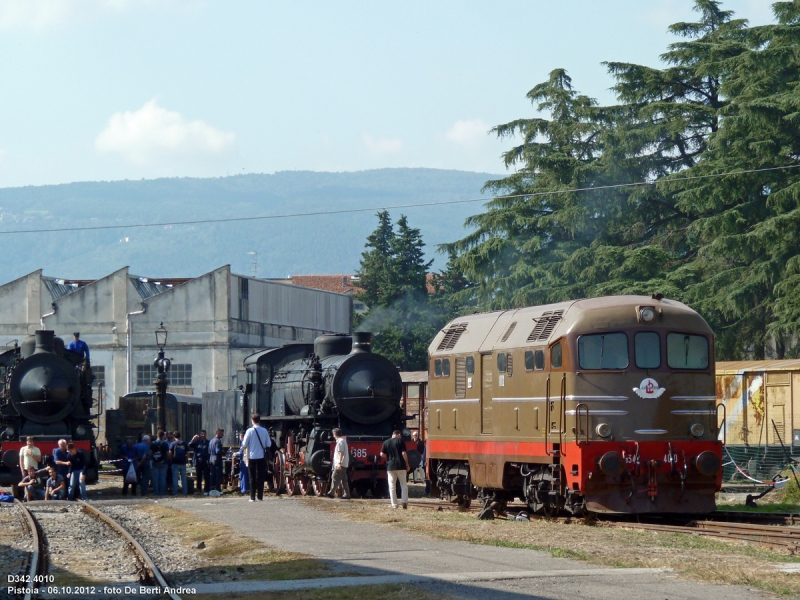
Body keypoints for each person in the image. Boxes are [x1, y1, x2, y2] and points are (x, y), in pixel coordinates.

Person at [240, 415, 271, 502]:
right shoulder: (264, 430)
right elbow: (268, 444)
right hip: (261, 456)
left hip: (252, 457)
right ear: (259, 420)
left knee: (252, 477)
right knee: (261, 477)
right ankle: (260, 496)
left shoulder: (249, 431)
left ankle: (252, 497)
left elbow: (245, 443)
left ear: (252, 420)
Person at [380, 430, 410, 509]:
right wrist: (407, 464)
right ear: (398, 435)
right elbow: (404, 453)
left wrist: (389, 458)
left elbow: (381, 454)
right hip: (401, 466)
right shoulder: (400, 441)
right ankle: (404, 502)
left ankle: (394, 504)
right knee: (403, 485)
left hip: (390, 466)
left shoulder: (386, 442)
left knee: (392, 486)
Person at [327, 428, 351, 500]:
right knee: (344, 480)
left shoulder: (340, 442)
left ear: (335, 434)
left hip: (341, 464)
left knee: (334, 477)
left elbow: (341, 453)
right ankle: (347, 494)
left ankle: (331, 493)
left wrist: (339, 463)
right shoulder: (343, 441)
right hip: (344, 463)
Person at [189, 430, 210, 495]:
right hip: (198, 460)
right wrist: (193, 439)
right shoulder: (197, 442)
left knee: (207, 476)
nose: (203, 435)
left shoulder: (208, 442)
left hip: (205, 460)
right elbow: (189, 445)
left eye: (204, 434)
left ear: (206, 434)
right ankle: (199, 489)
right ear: (200, 435)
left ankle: (206, 489)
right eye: (202, 434)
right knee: (199, 476)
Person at [169, 431, 189, 496]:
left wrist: (171, 459)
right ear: (180, 436)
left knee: (175, 478)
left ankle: (175, 492)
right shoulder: (184, 443)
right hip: (183, 463)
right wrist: (186, 460)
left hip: (175, 462)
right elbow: (188, 453)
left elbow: (170, 453)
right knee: (183, 478)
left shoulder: (173, 443)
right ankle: (185, 492)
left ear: (174, 437)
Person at [150, 431, 169, 496]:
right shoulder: (165, 444)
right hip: (163, 462)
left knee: (155, 478)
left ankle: (156, 492)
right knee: (163, 478)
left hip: (155, 462)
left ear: (157, 435)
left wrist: (152, 458)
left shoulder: (152, 443)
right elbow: (167, 453)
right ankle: (162, 492)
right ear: (163, 435)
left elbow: (150, 453)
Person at [237, 431, 249, 496]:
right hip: (245, 460)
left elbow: (241, 451)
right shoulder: (245, 442)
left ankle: (244, 489)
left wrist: (236, 453)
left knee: (243, 475)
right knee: (244, 475)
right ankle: (246, 488)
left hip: (244, 460)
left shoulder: (243, 442)